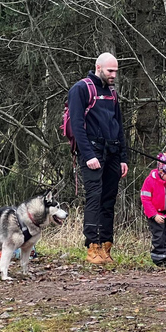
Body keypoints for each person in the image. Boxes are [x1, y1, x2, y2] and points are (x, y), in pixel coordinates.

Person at [68, 52, 129, 264]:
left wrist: (123, 157)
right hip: (92, 153)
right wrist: (88, 155)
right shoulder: (81, 89)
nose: (113, 75)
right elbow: (77, 125)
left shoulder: (112, 92)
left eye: (116, 71)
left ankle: (106, 247)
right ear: (98, 67)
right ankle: (92, 247)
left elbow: (118, 125)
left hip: (112, 153)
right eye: (110, 71)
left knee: (109, 201)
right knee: (94, 198)